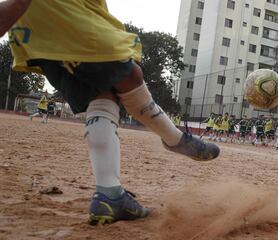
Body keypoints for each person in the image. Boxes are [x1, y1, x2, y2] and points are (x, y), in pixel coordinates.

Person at [2, 0, 219, 225]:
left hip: (42, 26)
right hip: (62, 12)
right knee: (129, 76)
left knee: (102, 93)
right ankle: (175, 139)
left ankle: (110, 193)